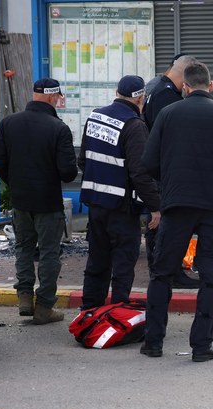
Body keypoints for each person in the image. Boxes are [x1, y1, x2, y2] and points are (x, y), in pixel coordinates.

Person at [140, 62, 213, 361]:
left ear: (185, 87)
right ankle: (201, 345)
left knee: (162, 274)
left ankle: (154, 342)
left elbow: (149, 161)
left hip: (176, 204)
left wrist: (172, 178)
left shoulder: (168, 113)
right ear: (211, 86)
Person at [0, 78, 78, 324]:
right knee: (50, 253)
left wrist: (15, 182)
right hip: (48, 202)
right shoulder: (58, 128)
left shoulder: (9, 123)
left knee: (23, 249)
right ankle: (44, 307)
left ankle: (25, 298)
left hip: (21, 200)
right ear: (53, 97)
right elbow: (68, 172)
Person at [77, 75, 161, 309]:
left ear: (117, 92)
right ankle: (116, 313)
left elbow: (83, 160)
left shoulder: (95, 116)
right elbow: (140, 174)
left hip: (95, 204)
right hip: (121, 209)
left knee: (97, 262)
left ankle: (89, 312)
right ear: (141, 98)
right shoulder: (134, 125)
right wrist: (155, 206)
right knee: (123, 263)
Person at [142, 54, 200, 288]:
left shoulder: (154, 86)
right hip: (165, 170)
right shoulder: (166, 95)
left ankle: (162, 270)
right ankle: (168, 272)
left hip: (157, 167)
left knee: (159, 221)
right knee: (163, 222)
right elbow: (168, 134)